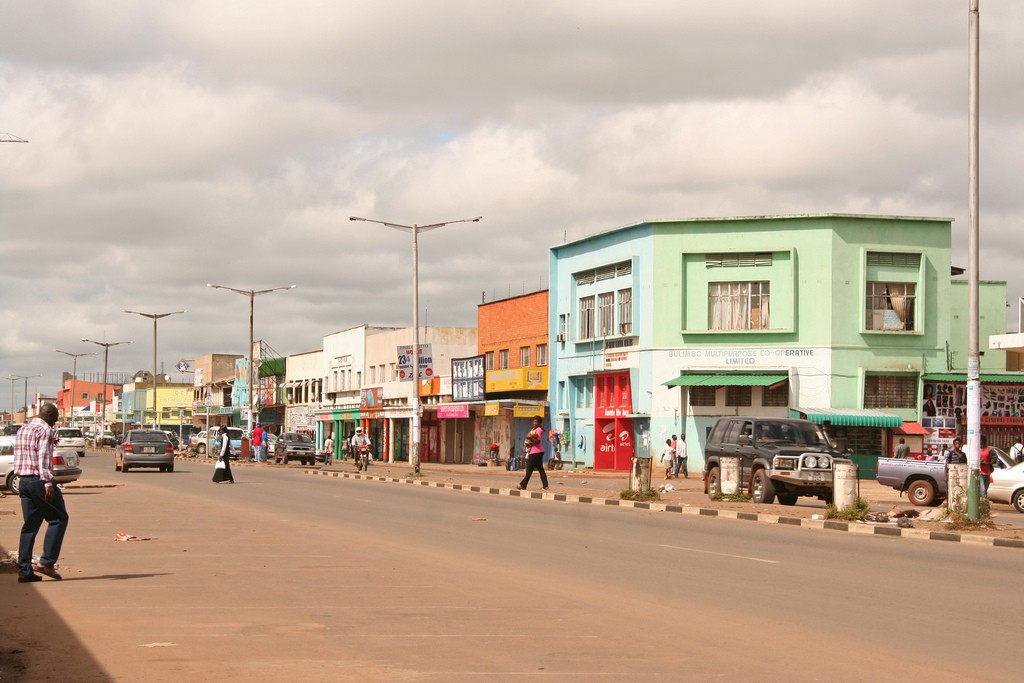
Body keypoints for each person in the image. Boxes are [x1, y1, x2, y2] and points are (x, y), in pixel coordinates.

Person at [14, 403, 68, 583]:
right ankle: (47, 562)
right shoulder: (44, 430)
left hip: (23, 481)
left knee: (30, 525)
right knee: (59, 518)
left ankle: (24, 570)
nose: (56, 421)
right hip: (39, 481)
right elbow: (42, 458)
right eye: (56, 418)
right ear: (50, 416)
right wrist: (47, 483)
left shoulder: (24, 428)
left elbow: (27, 452)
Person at [517, 417, 549, 490]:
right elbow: (529, 440)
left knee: (529, 470)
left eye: (536, 422)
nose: (534, 423)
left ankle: (523, 485)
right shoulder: (533, 429)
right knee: (540, 469)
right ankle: (545, 485)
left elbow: (537, 441)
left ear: (539, 423)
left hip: (536, 452)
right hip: (534, 451)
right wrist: (526, 445)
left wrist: (529, 437)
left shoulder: (539, 430)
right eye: (534, 421)